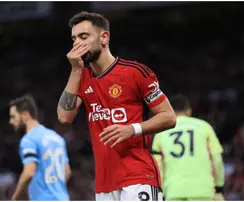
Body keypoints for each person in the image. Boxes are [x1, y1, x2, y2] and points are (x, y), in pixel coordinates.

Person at [57, 11, 176, 201]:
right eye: (74, 38)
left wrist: (132, 129)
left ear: (104, 37)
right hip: (104, 184)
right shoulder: (81, 77)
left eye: (84, 36)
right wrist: (76, 69)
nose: (77, 43)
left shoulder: (135, 73)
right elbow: (64, 116)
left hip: (139, 176)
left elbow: (169, 117)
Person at [151, 94, 225, 201]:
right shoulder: (204, 127)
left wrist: (161, 193)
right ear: (189, 111)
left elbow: (158, 167)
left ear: (170, 111)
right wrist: (219, 187)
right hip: (203, 191)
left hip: (174, 191)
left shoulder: (161, 133)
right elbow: (216, 159)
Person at [9, 94, 71, 201]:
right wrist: (54, 189)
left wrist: (15, 196)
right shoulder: (57, 138)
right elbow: (67, 171)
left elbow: (29, 172)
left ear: (25, 115)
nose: (11, 121)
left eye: (13, 116)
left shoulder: (29, 139)